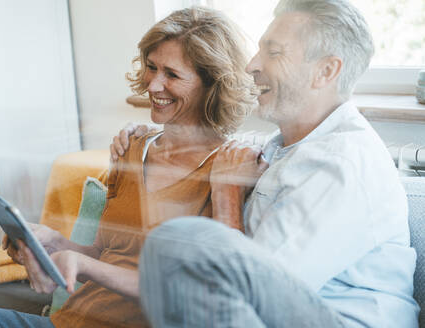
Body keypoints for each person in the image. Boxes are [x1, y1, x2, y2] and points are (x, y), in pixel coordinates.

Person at [0, 7, 260, 328]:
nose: (153, 85)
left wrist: (85, 266)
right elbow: (105, 249)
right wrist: (52, 243)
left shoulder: (226, 170)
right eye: (151, 67)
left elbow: (195, 292)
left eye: (172, 74)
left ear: (211, 84)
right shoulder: (131, 147)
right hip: (68, 320)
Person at [113, 0, 420, 327]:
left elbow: (245, 296)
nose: (252, 66)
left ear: (326, 71)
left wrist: (227, 193)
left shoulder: (340, 165)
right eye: (259, 50)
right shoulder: (290, 146)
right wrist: (151, 135)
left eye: (274, 53)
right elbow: (221, 145)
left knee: (179, 242)